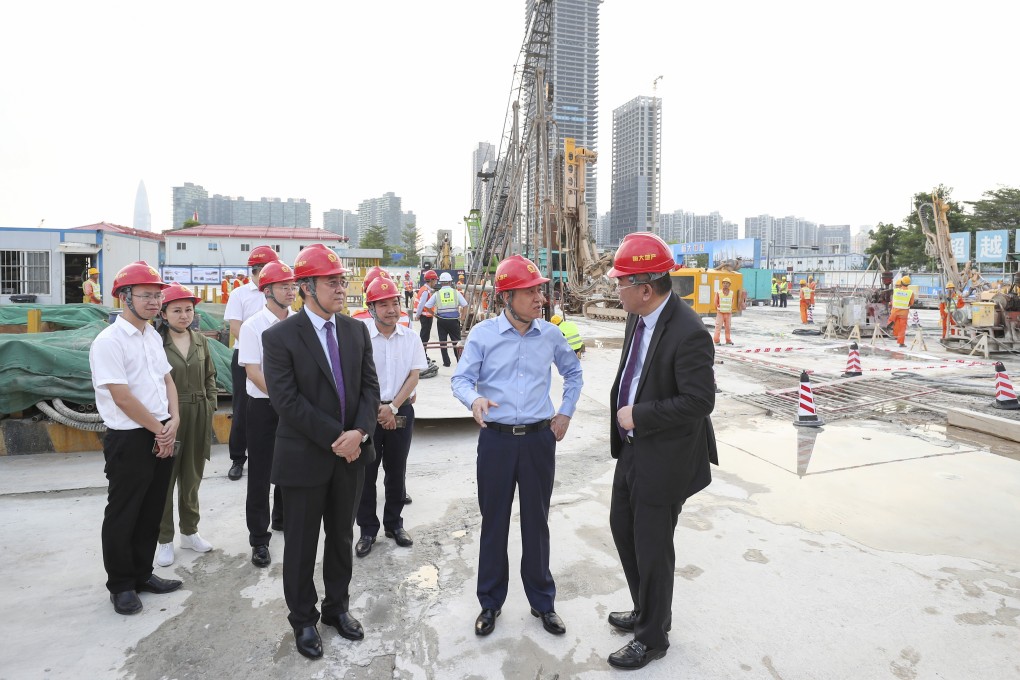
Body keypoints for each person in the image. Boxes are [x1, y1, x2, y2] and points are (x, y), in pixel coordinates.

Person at [451, 254, 582, 639]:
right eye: (529, 292)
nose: (539, 297)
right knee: (494, 523)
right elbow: (460, 380)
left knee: (536, 523)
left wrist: (565, 413)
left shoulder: (551, 334)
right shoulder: (483, 334)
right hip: (496, 442)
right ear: (506, 297)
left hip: (540, 439)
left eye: (539, 290)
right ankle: (490, 602)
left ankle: (543, 602)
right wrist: (473, 399)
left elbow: (574, 373)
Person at [605, 232, 718, 670]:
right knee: (622, 527)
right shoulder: (638, 317)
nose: (617, 290)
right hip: (633, 449)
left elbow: (699, 401)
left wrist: (640, 415)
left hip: (666, 457)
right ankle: (646, 609)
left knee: (653, 547)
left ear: (645, 288)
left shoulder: (689, 332)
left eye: (621, 284)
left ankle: (652, 637)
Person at [262, 244, 380, 660]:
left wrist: (361, 431)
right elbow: (286, 401)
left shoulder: (355, 330)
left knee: (341, 537)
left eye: (342, 281)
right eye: (332, 282)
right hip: (306, 457)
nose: (341, 288)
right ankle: (304, 620)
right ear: (306, 287)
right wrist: (340, 436)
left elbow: (370, 388)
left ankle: (336, 609)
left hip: (351, 456)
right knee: (300, 544)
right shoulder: (278, 337)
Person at [89, 261, 183, 615]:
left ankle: (143, 573)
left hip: (161, 430)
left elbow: (167, 381)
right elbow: (121, 396)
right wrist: (160, 429)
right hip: (129, 439)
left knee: (151, 509)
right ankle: (121, 585)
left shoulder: (152, 336)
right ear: (124, 297)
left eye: (157, 296)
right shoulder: (109, 342)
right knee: (124, 511)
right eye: (146, 296)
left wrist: (173, 419)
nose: (155, 302)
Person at [355, 277, 428, 558]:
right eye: (383, 304)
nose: (391, 309)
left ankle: (394, 524)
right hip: (367, 412)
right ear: (371, 308)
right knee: (366, 473)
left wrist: (394, 407)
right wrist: (374, 409)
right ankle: (367, 530)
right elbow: (355, 377)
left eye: (395, 303)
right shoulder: (360, 336)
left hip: (399, 411)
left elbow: (414, 375)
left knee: (396, 471)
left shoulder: (410, 338)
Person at [238, 261, 297, 569]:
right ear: (267, 290)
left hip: (294, 406)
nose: (291, 291)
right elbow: (252, 370)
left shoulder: (301, 321)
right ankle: (259, 540)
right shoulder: (252, 326)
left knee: (290, 467)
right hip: (264, 406)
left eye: (293, 286)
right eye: (284, 286)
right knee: (260, 474)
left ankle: (282, 519)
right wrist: (281, 398)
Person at [154, 283, 217, 568]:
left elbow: (211, 376)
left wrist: (210, 406)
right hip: (168, 416)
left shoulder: (201, 341)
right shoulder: (155, 342)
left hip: (198, 413)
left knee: (192, 476)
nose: (184, 315)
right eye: (176, 310)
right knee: (165, 480)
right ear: (164, 314)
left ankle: (190, 532)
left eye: (188, 310)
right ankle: (164, 538)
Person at [223, 246, 280, 481]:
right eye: (259, 270)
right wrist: (254, 349)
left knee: (277, 405)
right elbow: (235, 326)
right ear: (255, 271)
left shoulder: (279, 292)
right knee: (242, 407)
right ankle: (238, 458)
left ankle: (276, 453)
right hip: (246, 357)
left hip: (277, 359)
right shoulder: (240, 294)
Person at [418, 272, 467, 367]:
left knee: (443, 342)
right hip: (454, 320)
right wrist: (462, 317)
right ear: (450, 282)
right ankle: (460, 361)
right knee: (456, 342)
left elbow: (427, 306)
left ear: (441, 282)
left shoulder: (437, 294)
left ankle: (447, 362)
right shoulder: (455, 292)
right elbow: (465, 305)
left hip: (441, 320)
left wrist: (434, 314)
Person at [413, 270, 439, 359]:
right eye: (435, 280)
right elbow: (421, 304)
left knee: (425, 336)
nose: (436, 282)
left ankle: (423, 354)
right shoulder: (425, 291)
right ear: (431, 280)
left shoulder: (425, 289)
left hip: (426, 316)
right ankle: (421, 355)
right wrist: (417, 315)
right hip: (425, 316)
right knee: (424, 337)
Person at [887, 275, 916, 347]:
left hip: (894, 312)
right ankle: (901, 343)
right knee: (902, 328)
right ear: (908, 284)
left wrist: (891, 304)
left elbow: (893, 301)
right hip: (903, 313)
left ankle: (890, 325)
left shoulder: (896, 291)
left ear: (901, 282)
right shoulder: (910, 292)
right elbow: (911, 303)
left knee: (895, 324)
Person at [713, 277, 736, 345]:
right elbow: (715, 302)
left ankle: (728, 340)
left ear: (729, 285)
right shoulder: (718, 293)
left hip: (728, 313)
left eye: (727, 283)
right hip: (720, 313)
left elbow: (732, 302)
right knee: (718, 327)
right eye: (724, 283)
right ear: (722, 284)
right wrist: (717, 309)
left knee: (728, 328)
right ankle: (716, 341)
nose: (725, 284)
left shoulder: (732, 293)